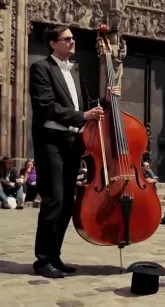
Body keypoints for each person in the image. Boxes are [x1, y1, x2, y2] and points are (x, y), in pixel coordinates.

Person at [29, 25, 120, 278]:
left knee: (68, 202)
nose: (72, 42)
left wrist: (106, 100)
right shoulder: (40, 68)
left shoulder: (75, 70)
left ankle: (55, 256)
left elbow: (88, 105)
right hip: (50, 142)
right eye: (67, 39)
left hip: (72, 143)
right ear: (53, 44)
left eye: (72, 38)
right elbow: (46, 107)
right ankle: (42, 259)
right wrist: (83, 116)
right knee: (54, 200)